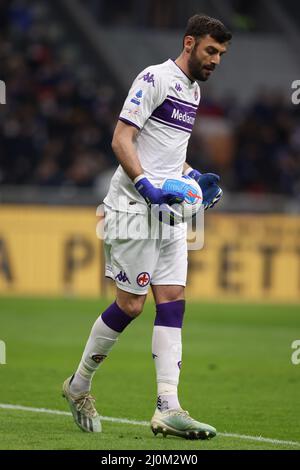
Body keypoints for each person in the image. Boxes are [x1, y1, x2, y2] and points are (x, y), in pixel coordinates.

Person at [63, 14, 232, 440]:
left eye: (221, 54)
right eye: (210, 50)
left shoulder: (193, 91)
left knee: (173, 300)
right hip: (132, 210)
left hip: (168, 213)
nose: (215, 60)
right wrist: (146, 187)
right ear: (189, 42)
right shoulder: (155, 77)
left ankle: (168, 406)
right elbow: (122, 139)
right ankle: (78, 384)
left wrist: (194, 177)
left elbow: (168, 156)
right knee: (131, 306)